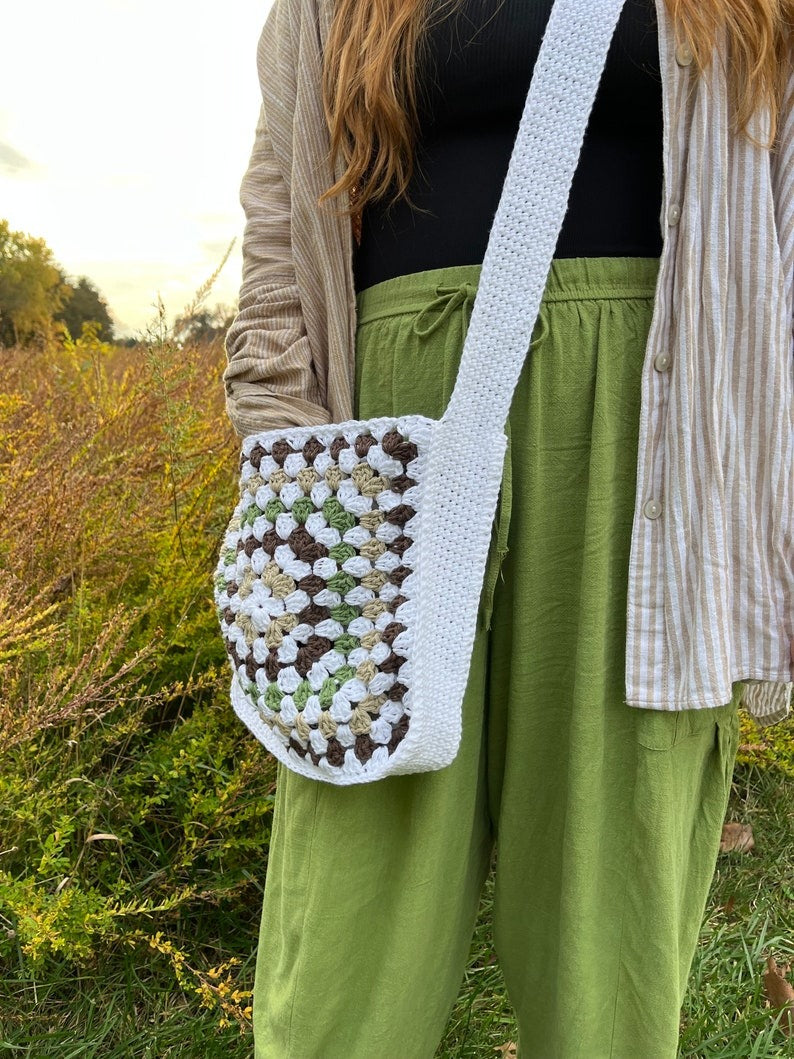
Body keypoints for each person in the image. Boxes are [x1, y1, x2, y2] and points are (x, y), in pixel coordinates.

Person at [220, 0, 794, 1055]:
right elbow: (277, 216)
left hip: (650, 440)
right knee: (352, 895)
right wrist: (282, 443)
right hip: (386, 447)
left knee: (604, 905)